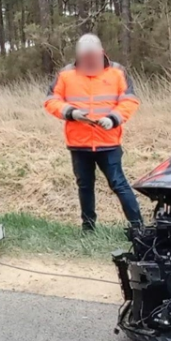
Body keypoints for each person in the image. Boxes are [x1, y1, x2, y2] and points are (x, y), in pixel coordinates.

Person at [43, 34, 143, 232]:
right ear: (78, 57)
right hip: (78, 143)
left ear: (101, 54)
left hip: (109, 142)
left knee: (119, 184)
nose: (89, 63)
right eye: (85, 59)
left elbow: (130, 101)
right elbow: (51, 101)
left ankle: (139, 228)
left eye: (93, 59)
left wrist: (113, 118)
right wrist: (71, 113)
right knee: (85, 186)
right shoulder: (65, 75)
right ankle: (88, 228)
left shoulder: (117, 72)